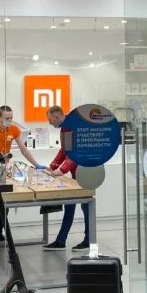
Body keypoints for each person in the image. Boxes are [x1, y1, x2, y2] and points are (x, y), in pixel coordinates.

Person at [0, 105, 41, 243]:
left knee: (5, 201)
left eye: (11, 118)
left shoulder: (14, 130)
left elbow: (23, 149)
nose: (9, 120)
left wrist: (36, 164)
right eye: (6, 118)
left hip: (2, 169)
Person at [41, 105, 90, 252]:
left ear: (57, 117)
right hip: (77, 173)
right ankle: (61, 241)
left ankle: (89, 241)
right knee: (70, 204)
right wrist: (54, 165)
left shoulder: (72, 126)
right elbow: (65, 150)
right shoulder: (66, 127)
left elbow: (77, 152)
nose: (49, 123)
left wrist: (62, 170)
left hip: (85, 172)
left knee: (87, 207)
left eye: (50, 120)